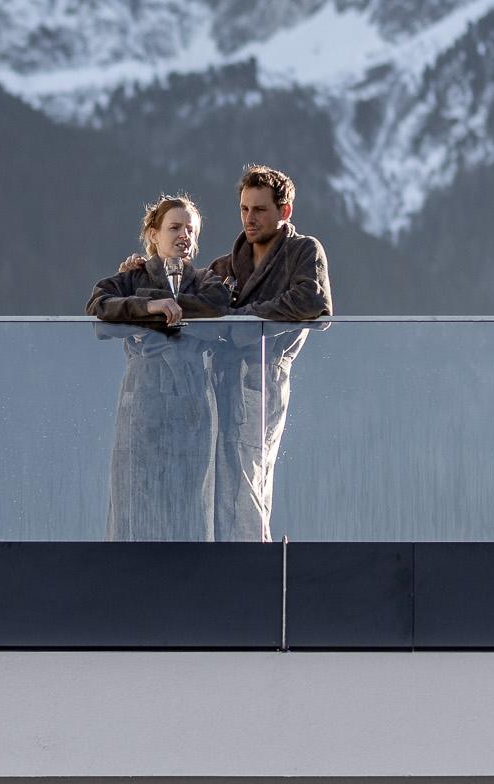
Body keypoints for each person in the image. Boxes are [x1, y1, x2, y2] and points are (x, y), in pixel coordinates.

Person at [86, 195, 231, 540]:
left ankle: (187, 571)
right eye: (175, 227)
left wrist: (146, 310)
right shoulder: (131, 278)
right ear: (153, 234)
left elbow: (217, 307)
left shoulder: (205, 281)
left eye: (191, 230)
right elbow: (98, 308)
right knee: (135, 496)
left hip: (190, 401)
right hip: (143, 400)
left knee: (189, 498)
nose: (184, 235)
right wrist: (152, 306)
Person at [204, 164, 332, 540]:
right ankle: (223, 562)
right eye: (244, 209)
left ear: (284, 210)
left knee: (248, 477)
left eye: (260, 209)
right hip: (217, 379)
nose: (250, 218)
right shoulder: (228, 264)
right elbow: (194, 301)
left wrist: (240, 319)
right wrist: (142, 272)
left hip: (264, 377)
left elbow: (312, 303)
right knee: (216, 483)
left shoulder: (302, 251)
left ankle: (254, 562)